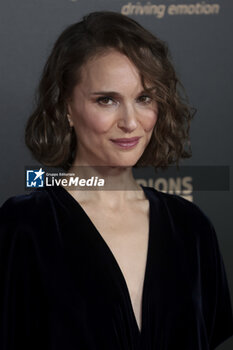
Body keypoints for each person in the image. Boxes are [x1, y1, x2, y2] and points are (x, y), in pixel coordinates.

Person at [0, 11, 233, 350]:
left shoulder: (191, 228)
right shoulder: (22, 228)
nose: (130, 122)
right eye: (106, 100)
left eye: (144, 98)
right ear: (66, 107)